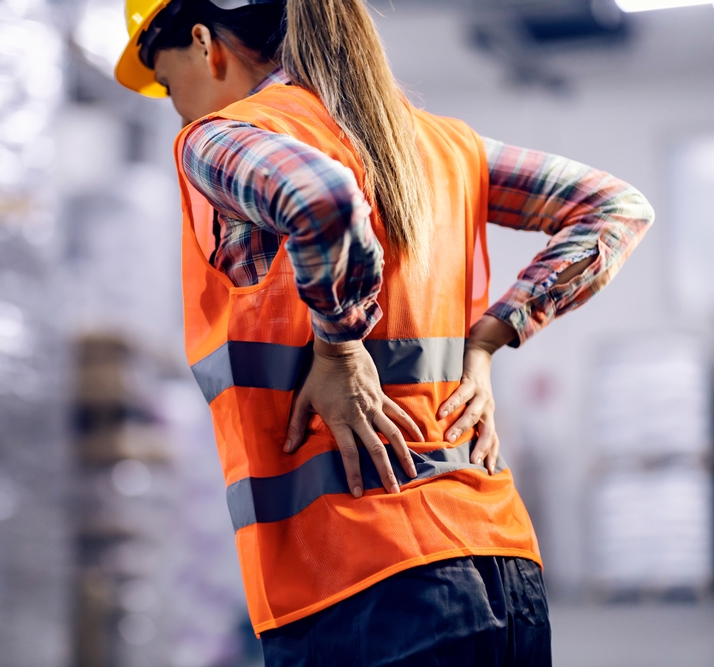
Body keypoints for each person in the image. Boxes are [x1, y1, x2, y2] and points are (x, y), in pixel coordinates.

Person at [114, 1, 653, 665]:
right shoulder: (440, 144)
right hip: (502, 565)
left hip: (359, 583)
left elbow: (323, 200)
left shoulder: (219, 138)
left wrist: (339, 347)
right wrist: (490, 337)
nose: (177, 109)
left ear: (204, 43)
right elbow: (615, 210)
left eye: (168, 85)